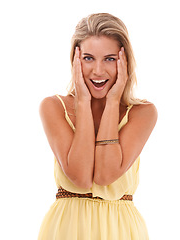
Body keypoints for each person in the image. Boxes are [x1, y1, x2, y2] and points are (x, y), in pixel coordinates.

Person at [38, 13, 157, 240]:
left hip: (121, 230)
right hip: (67, 229)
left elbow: (105, 175)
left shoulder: (143, 113)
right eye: (89, 58)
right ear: (75, 59)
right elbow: (81, 178)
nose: (98, 71)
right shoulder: (53, 107)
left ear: (125, 62)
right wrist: (83, 102)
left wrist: (112, 102)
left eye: (110, 59)